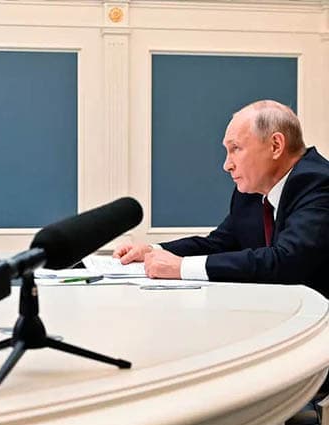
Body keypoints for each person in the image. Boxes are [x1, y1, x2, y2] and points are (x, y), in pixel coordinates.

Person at [114, 100, 329, 299]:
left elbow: (287, 261)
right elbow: (219, 244)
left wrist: (181, 268)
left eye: (236, 149)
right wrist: (154, 251)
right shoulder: (252, 191)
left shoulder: (318, 183)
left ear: (275, 146)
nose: (227, 165)